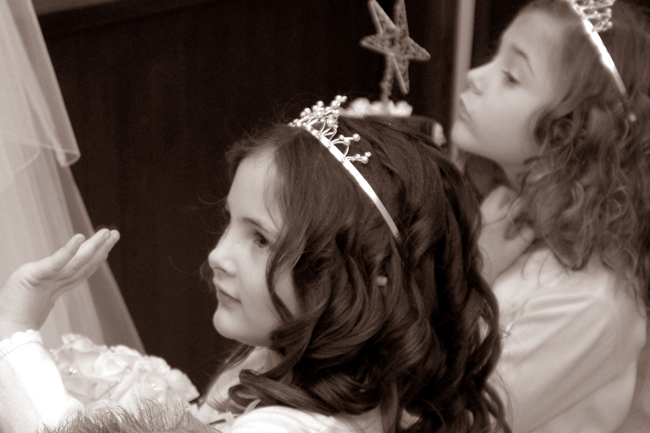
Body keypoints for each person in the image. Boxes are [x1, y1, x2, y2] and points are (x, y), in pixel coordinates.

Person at [0, 98, 510, 433]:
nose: (217, 257)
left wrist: (15, 332)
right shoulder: (298, 366)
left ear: (365, 270)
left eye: (261, 238)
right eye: (230, 223)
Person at [451, 0, 650, 431]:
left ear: (572, 130)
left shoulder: (591, 302)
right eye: (493, 57)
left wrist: (468, 276)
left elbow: (453, 420)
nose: (474, 76)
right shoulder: (492, 212)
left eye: (511, 76)